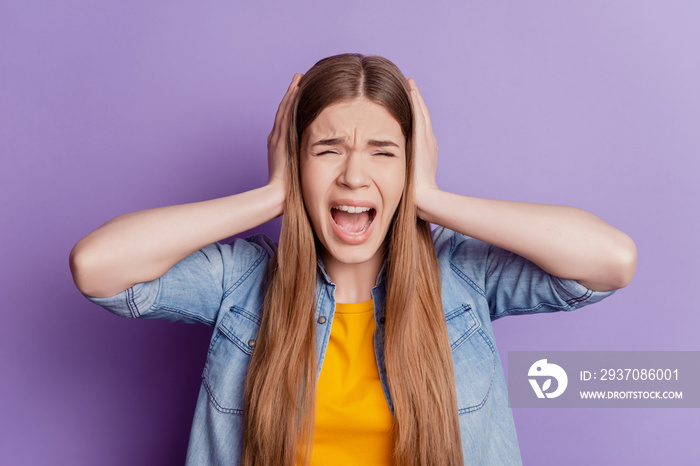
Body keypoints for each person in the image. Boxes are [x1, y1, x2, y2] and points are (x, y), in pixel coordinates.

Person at [69, 53, 637, 466]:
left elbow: (610, 260)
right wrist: (271, 195)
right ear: (297, 162)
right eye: (327, 149)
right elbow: (98, 266)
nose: (354, 175)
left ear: (411, 166)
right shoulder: (241, 283)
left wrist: (432, 199)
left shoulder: (461, 277)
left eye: (383, 153)